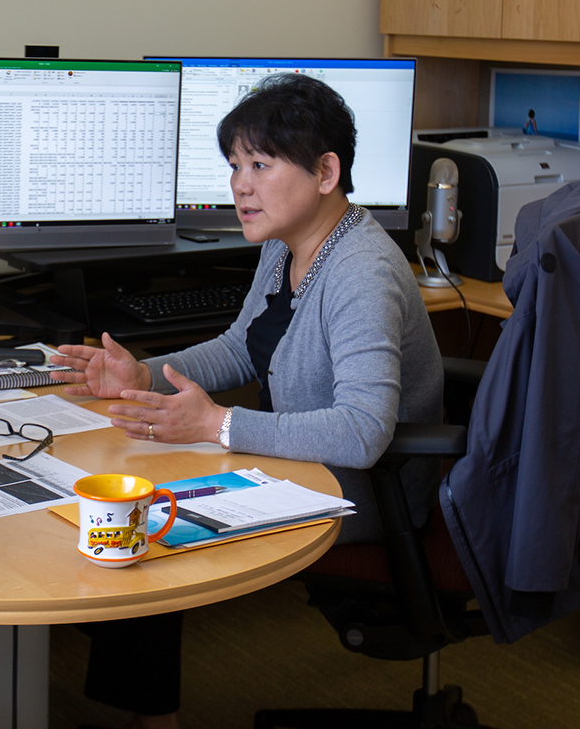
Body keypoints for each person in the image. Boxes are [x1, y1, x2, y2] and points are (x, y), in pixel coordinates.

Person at [52, 74, 443, 729]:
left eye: (260, 164)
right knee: (132, 490)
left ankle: (152, 720)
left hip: (363, 491)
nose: (239, 184)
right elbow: (239, 348)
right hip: (299, 468)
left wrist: (219, 423)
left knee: (145, 518)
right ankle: (135, 707)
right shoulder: (289, 243)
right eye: (235, 164)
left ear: (325, 171)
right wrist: (141, 375)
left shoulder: (361, 272)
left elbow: (363, 432)